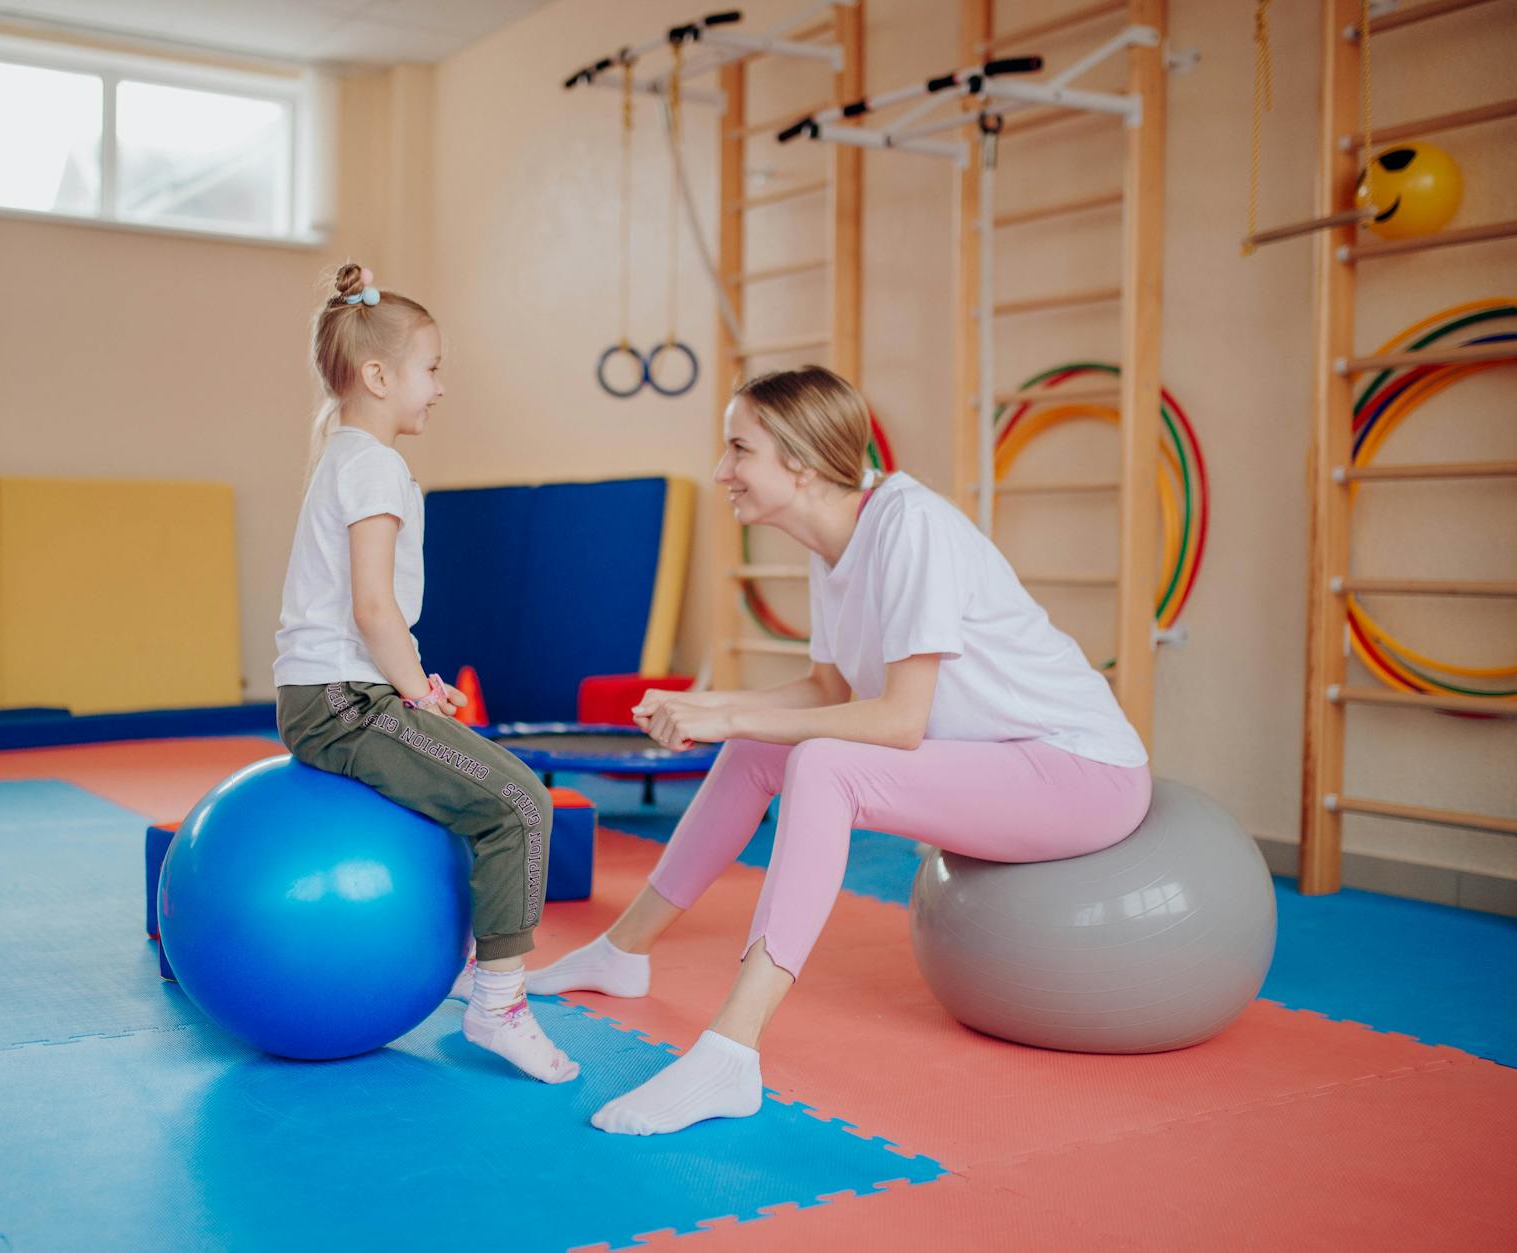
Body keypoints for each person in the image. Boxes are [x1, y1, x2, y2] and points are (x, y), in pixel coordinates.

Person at [529, 365, 1151, 1131]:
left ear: (797, 458)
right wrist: (715, 708)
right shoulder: (832, 545)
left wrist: (727, 717)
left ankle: (730, 1053)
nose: (722, 470)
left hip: (1079, 771)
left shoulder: (910, 526)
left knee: (823, 763)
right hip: (1007, 762)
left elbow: (898, 722)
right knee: (767, 747)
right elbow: (828, 690)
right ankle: (623, 950)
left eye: (738, 449)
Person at [274, 262, 577, 1084]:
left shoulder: (347, 456)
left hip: (335, 693)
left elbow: (368, 617)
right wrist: (410, 689)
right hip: (343, 703)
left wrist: (416, 683)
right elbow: (374, 609)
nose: (440, 387)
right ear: (378, 376)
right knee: (520, 802)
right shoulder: (373, 466)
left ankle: (462, 969)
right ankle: (499, 1003)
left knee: (469, 788)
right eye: (431, 367)